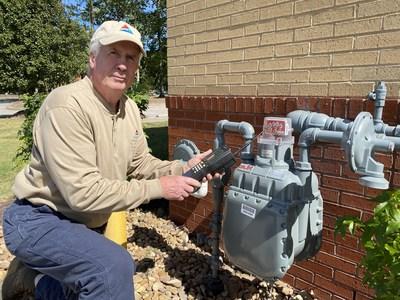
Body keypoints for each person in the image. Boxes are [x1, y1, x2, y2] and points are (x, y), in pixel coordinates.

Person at [2, 20, 212, 300]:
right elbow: (82, 193)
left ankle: (35, 279)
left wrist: (183, 169)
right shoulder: (66, 105)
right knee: (111, 268)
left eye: (130, 57)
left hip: (83, 224)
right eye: (114, 53)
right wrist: (160, 188)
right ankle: (38, 270)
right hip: (38, 219)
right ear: (92, 58)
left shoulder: (129, 110)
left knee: (89, 284)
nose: (123, 64)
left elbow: (141, 165)